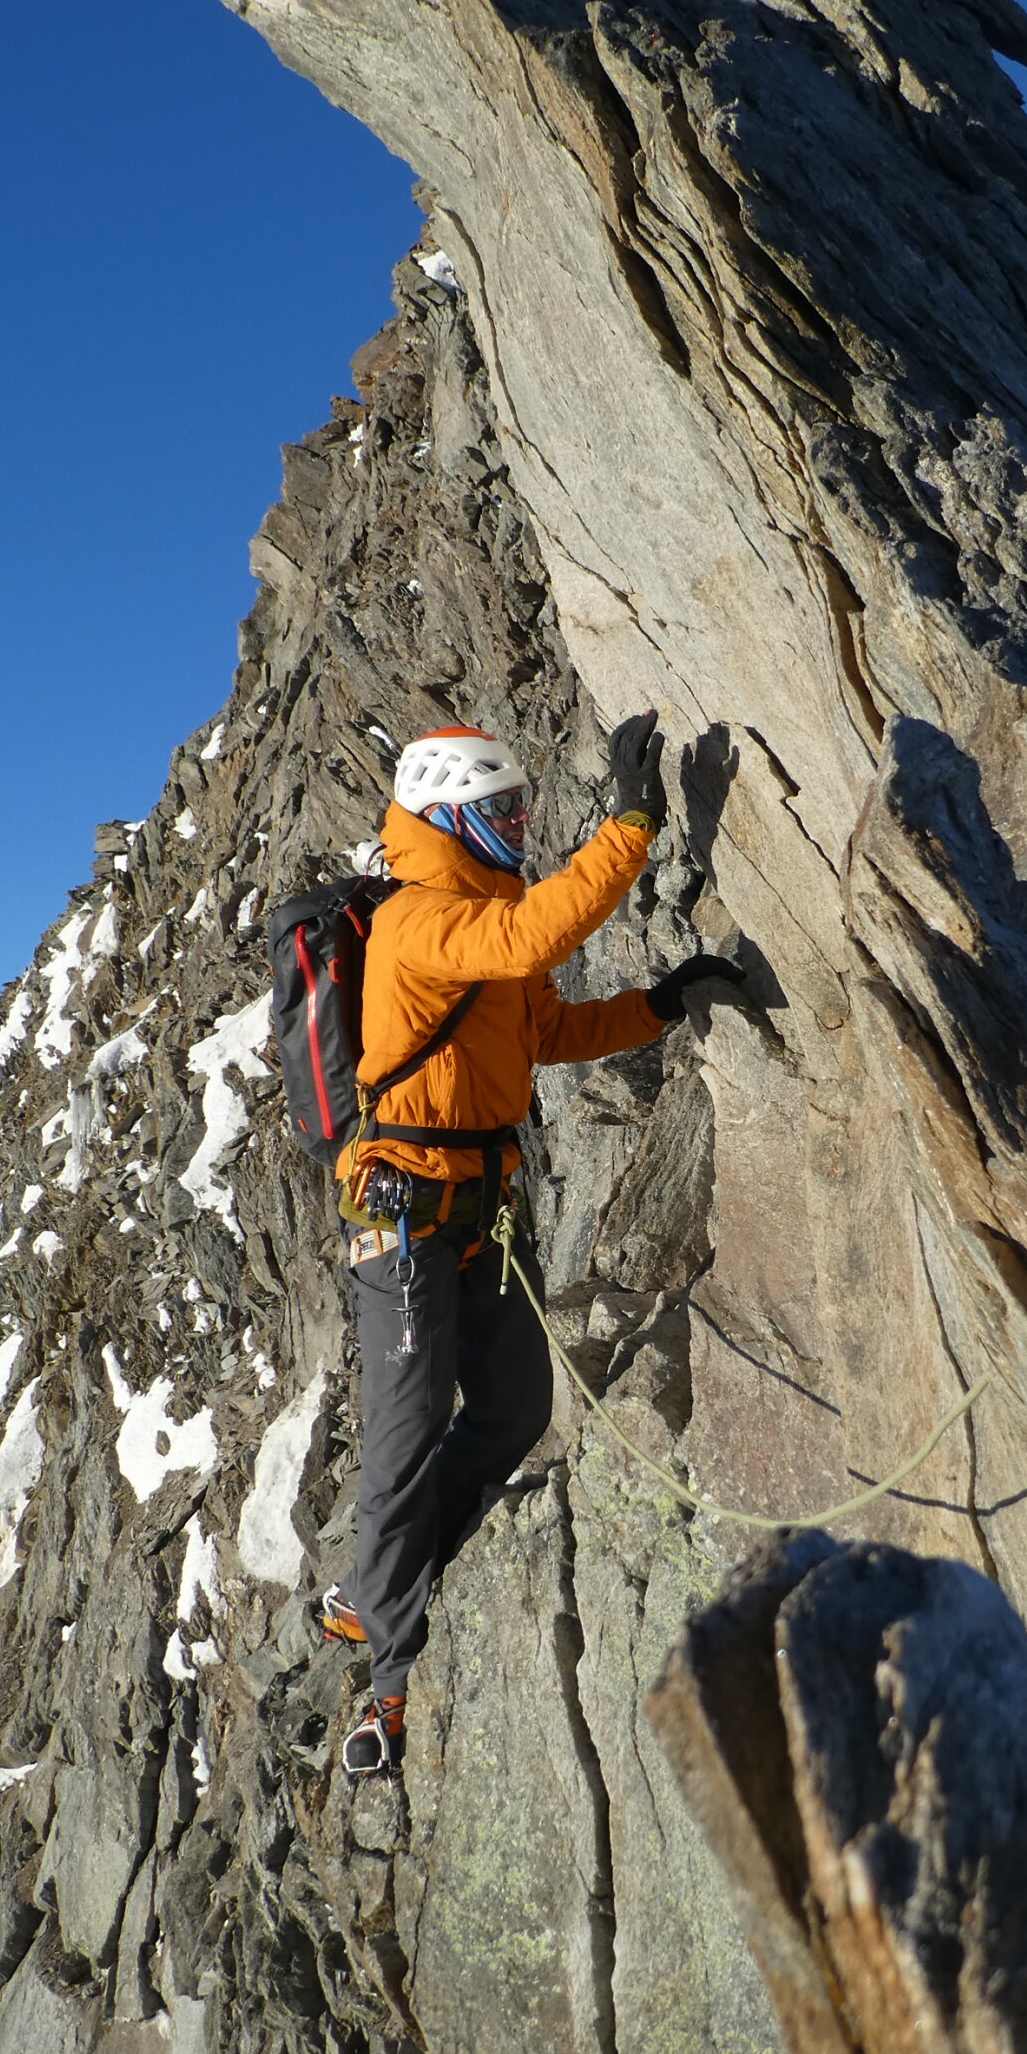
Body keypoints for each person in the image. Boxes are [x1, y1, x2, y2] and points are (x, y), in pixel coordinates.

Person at [325, 712, 746, 1782]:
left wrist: (660, 1003)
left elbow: (546, 1030)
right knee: (406, 1434)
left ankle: (397, 1573)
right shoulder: (420, 919)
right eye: (500, 812)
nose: (516, 826)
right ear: (449, 818)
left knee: (516, 1411)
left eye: (520, 810)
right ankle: (384, 1654)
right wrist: (631, 828)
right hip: (407, 1223)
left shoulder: (482, 922)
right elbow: (528, 942)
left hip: (473, 1213)